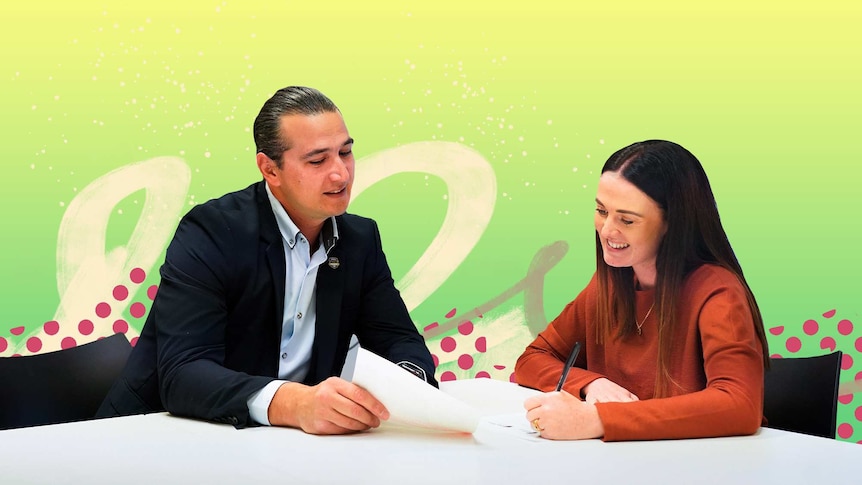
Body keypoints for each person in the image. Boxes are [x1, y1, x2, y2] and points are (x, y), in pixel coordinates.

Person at [97, 86, 437, 434]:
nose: (341, 174)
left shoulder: (359, 240)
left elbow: (400, 341)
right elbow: (184, 373)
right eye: (318, 160)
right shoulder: (212, 232)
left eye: (346, 153)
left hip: (283, 446)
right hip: (157, 434)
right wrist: (294, 403)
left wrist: (404, 388)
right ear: (269, 169)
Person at [514, 140, 768, 441]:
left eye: (627, 219)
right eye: (601, 210)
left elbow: (740, 405)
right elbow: (532, 359)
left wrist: (599, 420)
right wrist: (589, 383)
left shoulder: (717, 293)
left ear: (672, 224)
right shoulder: (608, 284)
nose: (607, 230)